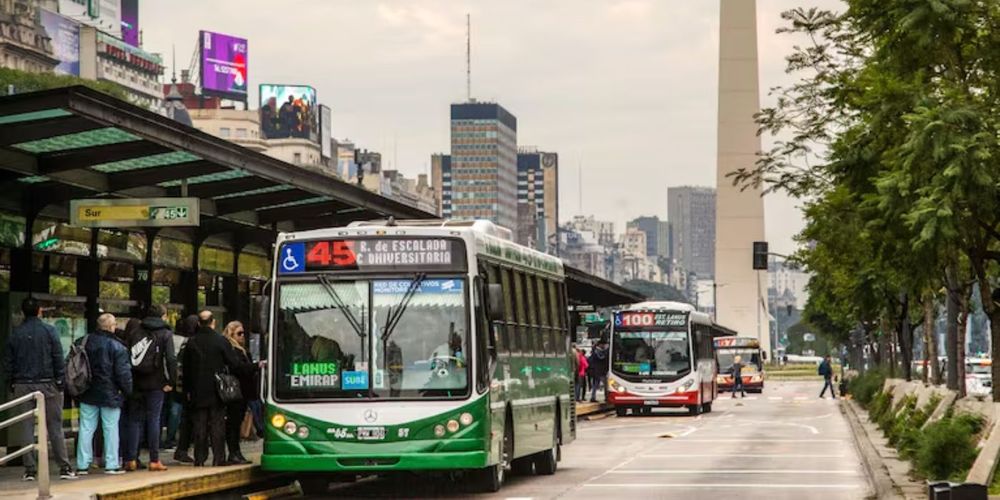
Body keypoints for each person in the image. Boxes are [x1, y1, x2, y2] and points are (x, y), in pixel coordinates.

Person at [5, 298, 76, 481]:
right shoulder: (49, 331)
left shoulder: (16, 333)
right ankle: (64, 467)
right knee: (54, 426)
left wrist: (11, 383)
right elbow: (58, 357)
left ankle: (30, 469)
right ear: (39, 311)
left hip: (22, 384)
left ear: (23, 313)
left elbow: (8, 362)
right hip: (48, 384)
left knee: (26, 426)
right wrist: (60, 382)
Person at [76, 313, 132, 475]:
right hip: (110, 393)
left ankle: (82, 464)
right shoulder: (118, 347)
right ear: (111, 327)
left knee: (86, 428)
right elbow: (123, 374)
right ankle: (112, 463)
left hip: (86, 391)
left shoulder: (83, 341)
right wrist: (128, 391)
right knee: (111, 428)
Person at [184, 311, 242, 466]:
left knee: (200, 425)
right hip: (217, 389)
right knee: (217, 425)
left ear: (198, 323)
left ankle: (200, 459)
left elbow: (186, 369)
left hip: (197, 390)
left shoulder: (192, 342)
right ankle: (218, 458)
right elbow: (234, 363)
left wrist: (187, 390)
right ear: (213, 322)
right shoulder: (220, 341)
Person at [123, 305, 176, 472]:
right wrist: (171, 381)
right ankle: (154, 460)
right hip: (156, 382)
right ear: (162, 316)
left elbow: (127, 357)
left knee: (134, 420)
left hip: (136, 382)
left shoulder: (135, 332)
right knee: (154, 419)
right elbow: (171, 359)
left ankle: (131, 459)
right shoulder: (165, 334)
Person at [221, 321, 255, 465]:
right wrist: (255, 366)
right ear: (231, 334)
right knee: (233, 423)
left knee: (237, 421)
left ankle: (236, 452)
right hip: (236, 391)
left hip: (243, 391)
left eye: (243, 333)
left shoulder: (242, 349)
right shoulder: (232, 350)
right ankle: (234, 452)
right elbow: (238, 368)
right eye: (239, 333)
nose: (242, 336)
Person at [172, 314, 200, 464]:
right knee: (189, 419)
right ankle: (183, 449)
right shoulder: (192, 343)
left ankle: (182, 448)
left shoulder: (185, 343)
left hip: (181, 387)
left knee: (185, 419)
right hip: (190, 388)